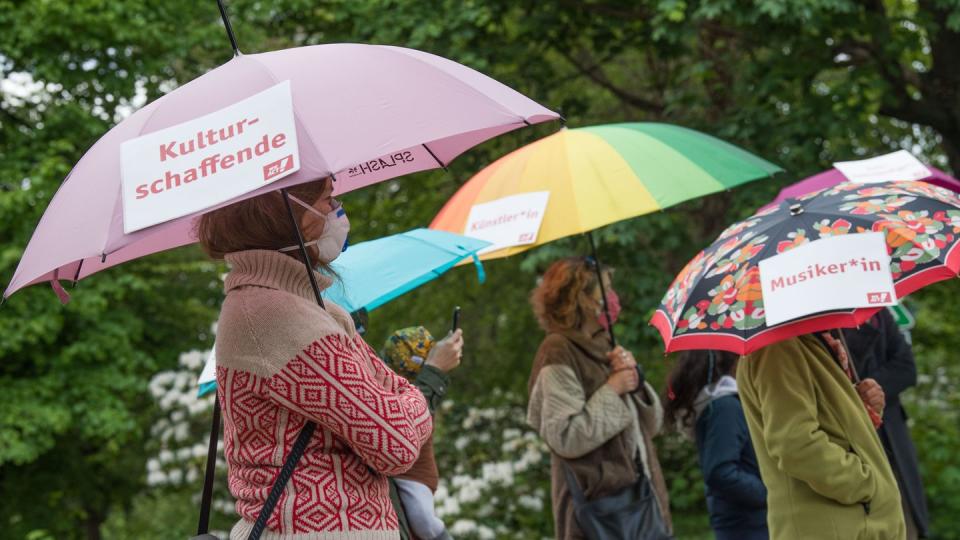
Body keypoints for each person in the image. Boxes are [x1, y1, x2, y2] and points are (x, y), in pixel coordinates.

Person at [198, 178, 433, 539]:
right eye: (327, 199)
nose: (337, 210)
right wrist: (416, 402)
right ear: (285, 213)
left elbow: (394, 400)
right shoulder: (275, 315)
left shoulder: (305, 308)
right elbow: (397, 445)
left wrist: (401, 401)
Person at [526, 257, 672, 540]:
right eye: (604, 289)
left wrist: (634, 380)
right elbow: (565, 436)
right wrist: (613, 389)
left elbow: (650, 428)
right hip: (598, 514)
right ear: (580, 299)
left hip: (640, 502)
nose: (612, 298)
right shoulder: (557, 351)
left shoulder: (605, 342)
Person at [737, 333, 906, 540]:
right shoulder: (778, 348)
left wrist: (863, 408)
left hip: (850, 522)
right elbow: (795, 444)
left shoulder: (808, 341)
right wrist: (867, 484)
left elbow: (830, 425)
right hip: (836, 525)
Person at [844, 308, 930, 539]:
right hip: (856, 441)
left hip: (892, 434)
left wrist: (871, 386)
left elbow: (907, 369)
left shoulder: (880, 314)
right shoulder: (828, 320)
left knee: (906, 516)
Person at [663, 350, 767, 540]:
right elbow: (720, 471)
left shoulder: (722, 403)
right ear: (732, 363)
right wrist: (768, 492)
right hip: (746, 524)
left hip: (745, 520)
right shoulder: (724, 407)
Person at [381, 326, 462, 540]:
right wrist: (434, 371)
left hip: (414, 475)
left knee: (422, 514)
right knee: (423, 518)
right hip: (406, 477)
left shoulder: (408, 390)